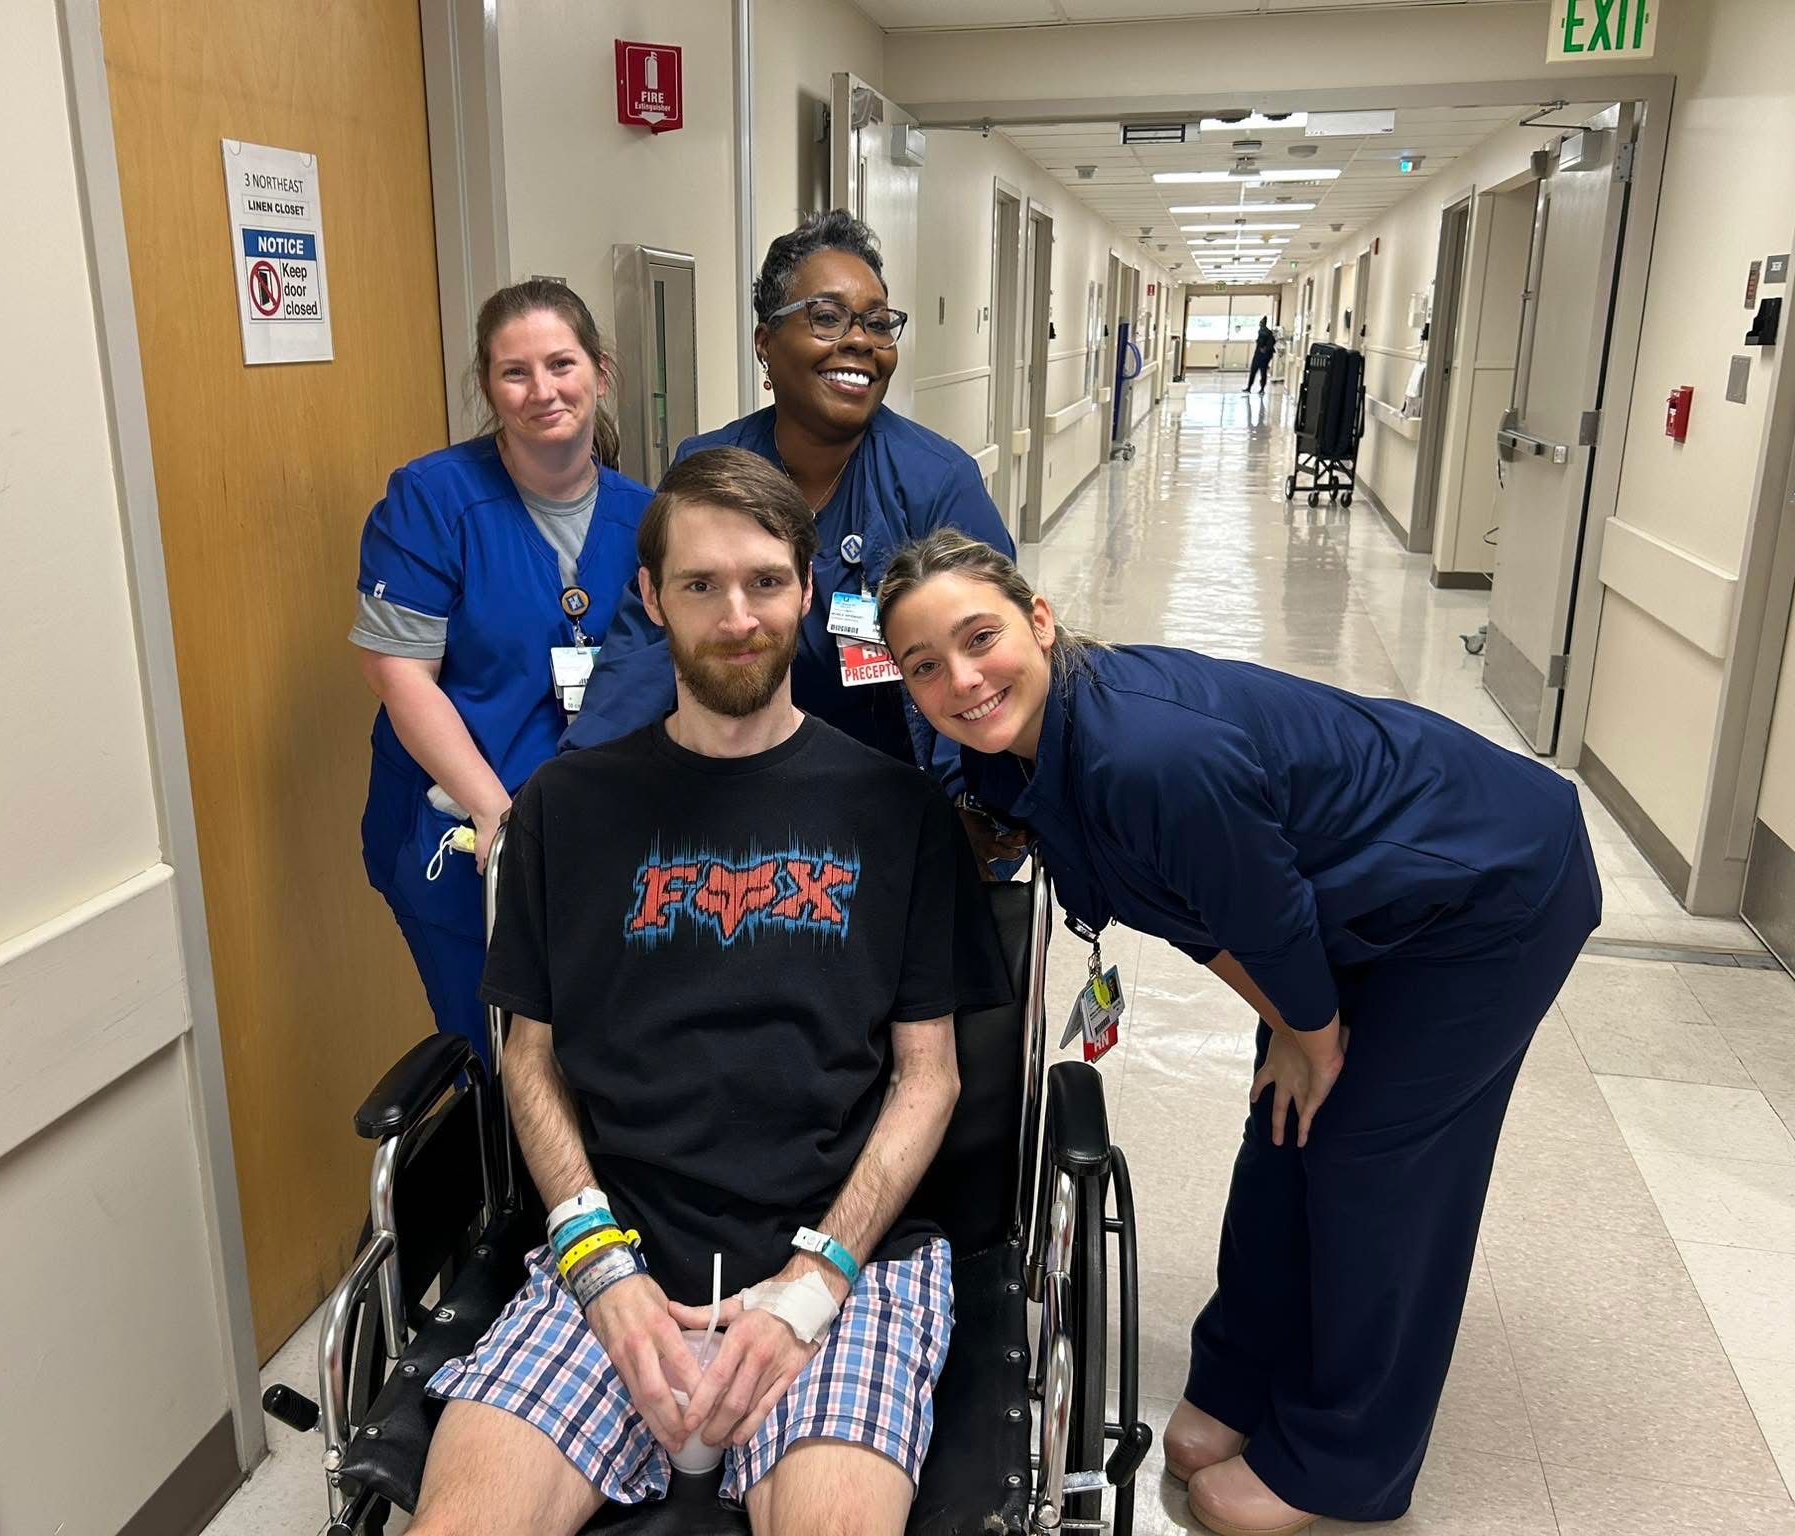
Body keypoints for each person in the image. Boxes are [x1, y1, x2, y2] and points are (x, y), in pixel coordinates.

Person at [876, 530, 1601, 1536]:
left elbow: (1268, 921)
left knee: (1367, 1160)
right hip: (1340, 905)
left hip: (1486, 889)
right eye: (923, 665)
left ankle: (1342, 1460)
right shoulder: (1017, 755)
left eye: (979, 637)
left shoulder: (1146, 755)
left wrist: (1314, 1037)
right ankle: (1243, 1377)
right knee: (1281, 1134)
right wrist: (1292, 1031)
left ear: (1038, 620)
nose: (960, 679)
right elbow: (1199, 918)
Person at [410, 449, 1002, 1536]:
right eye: (699, 584)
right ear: (651, 597)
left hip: (848, 1260)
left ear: (808, 591)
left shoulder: (899, 813)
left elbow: (930, 1078)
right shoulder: (564, 810)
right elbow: (529, 1057)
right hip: (614, 1249)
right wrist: (598, 1266)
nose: (736, 617)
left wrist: (815, 1282)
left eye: (765, 581)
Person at [564, 210, 1015, 798]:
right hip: (732, 782)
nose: (860, 340)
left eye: (878, 323)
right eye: (826, 317)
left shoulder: (935, 481)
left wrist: (964, 807)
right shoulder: (709, 467)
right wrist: (580, 780)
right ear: (765, 344)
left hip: (889, 791)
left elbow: (986, 660)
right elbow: (650, 639)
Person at [350, 280, 649, 1060]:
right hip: (464, 835)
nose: (542, 391)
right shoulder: (433, 499)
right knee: (499, 1056)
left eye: (561, 364)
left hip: (600, 838)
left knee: (601, 1057)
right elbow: (398, 673)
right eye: (515, 372)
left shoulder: (649, 516)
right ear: (488, 387)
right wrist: (498, 817)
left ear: (600, 372)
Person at [1246, 317, 1277, 393]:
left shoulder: (1268, 332)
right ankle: (1249, 387)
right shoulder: (1260, 331)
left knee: (1262, 373)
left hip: (1264, 356)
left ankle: (1261, 388)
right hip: (1258, 355)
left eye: (1261, 323)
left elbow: (1272, 342)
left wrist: (1265, 348)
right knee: (1253, 371)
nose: (1260, 324)